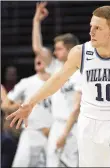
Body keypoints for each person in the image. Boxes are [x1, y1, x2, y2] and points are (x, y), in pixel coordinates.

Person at [7, 5, 110, 167]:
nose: (91, 32)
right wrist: (31, 102)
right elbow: (56, 80)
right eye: (91, 26)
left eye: (98, 28)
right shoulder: (80, 53)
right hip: (90, 126)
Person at [32, 2, 80, 167]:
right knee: (52, 164)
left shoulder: (82, 71)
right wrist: (36, 21)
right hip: (57, 123)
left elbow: (77, 107)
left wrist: (65, 134)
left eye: (58, 49)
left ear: (69, 49)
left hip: (74, 126)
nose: (54, 52)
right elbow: (38, 49)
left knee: (72, 164)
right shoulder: (57, 68)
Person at [4, 56, 53, 167]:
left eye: (42, 55)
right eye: (37, 56)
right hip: (31, 131)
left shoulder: (60, 82)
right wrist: (20, 105)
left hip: (53, 133)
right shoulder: (27, 82)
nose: (38, 58)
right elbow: (5, 105)